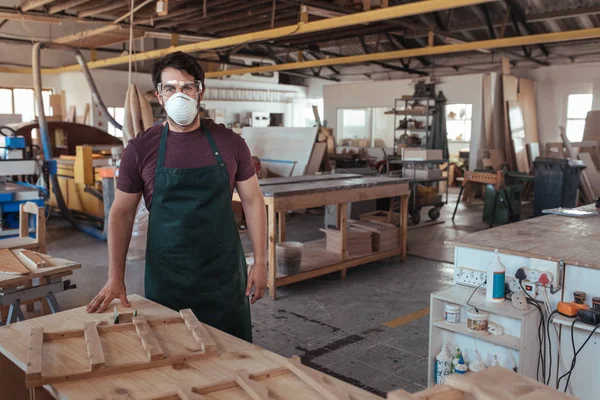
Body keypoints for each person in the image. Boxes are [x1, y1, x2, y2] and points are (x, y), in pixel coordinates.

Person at [86, 52, 267, 342]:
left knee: (232, 354)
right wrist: (115, 276)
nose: (178, 94)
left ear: (200, 92)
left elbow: (253, 200)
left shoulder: (231, 144)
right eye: (170, 88)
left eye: (187, 87)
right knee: (173, 355)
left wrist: (261, 261)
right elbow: (121, 212)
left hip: (223, 276)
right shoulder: (140, 149)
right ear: (159, 96)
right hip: (168, 277)